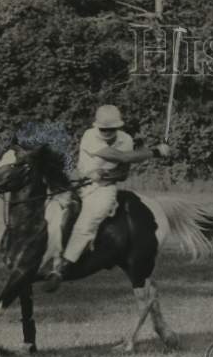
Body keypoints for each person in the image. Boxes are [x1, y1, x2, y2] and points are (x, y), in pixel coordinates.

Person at [42, 105, 171, 291]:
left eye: (112, 129)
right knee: (53, 212)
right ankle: (42, 255)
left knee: (87, 224)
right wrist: (156, 152)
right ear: (97, 127)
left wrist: (105, 176)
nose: (108, 132)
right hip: (79, 183)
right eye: (104, 129)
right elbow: (118, 156)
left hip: (105, 190)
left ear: (118, 127)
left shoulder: (125, 139)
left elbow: (123, 171)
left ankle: (61, 270)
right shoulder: (90, 136)